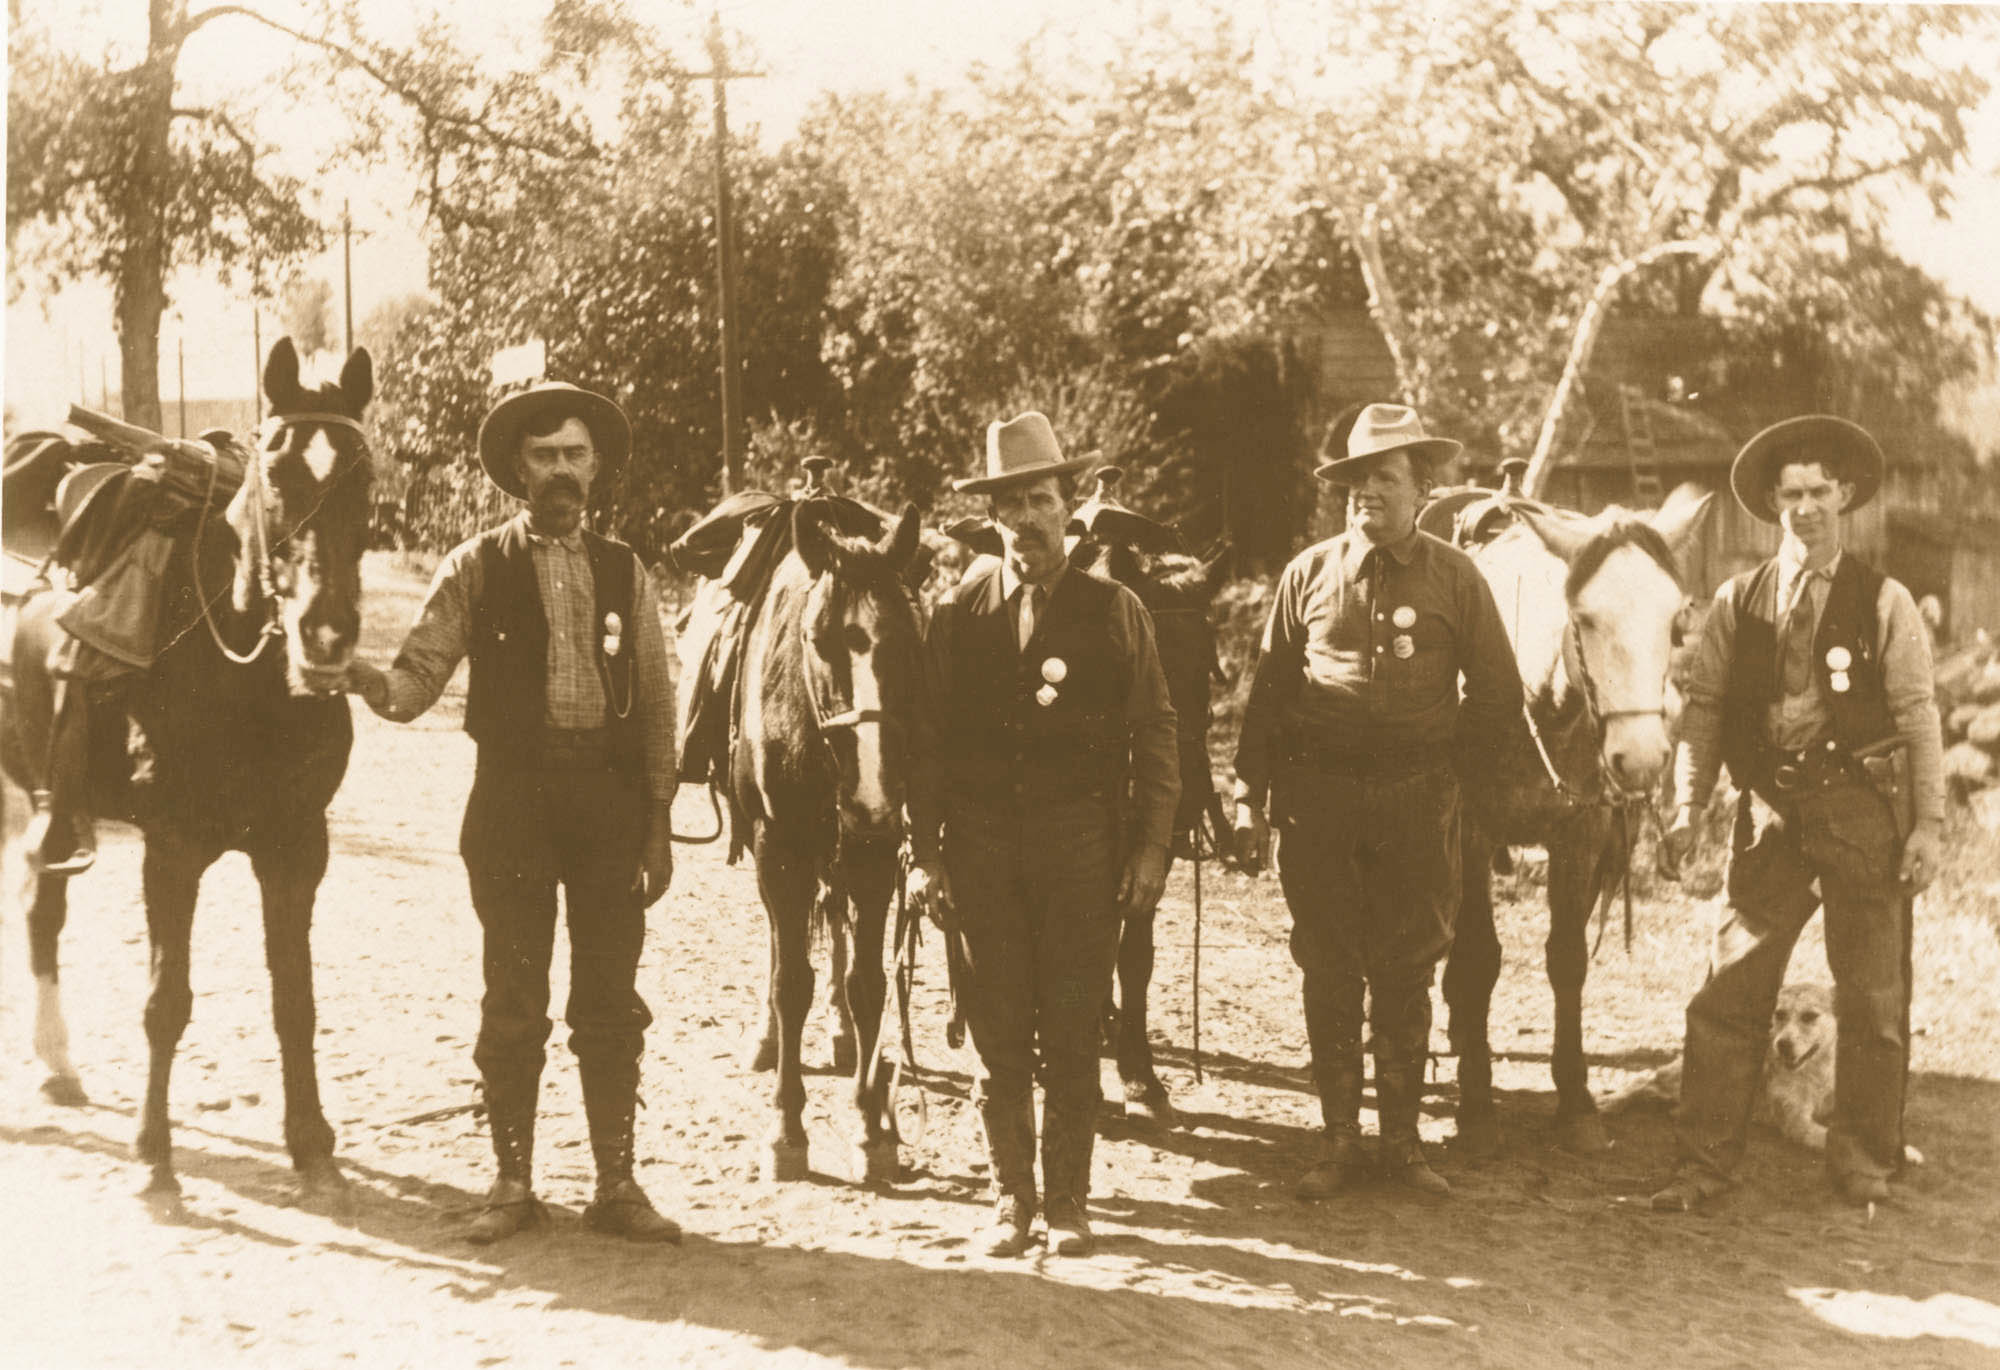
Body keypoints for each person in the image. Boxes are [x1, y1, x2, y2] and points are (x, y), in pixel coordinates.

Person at [345, 382, 680, 1244]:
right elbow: (416, 680)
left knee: (609, 998)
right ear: (516, 473)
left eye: (574, 454)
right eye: (543, 457)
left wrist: (655, 823)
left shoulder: (625, 570)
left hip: (608, 810)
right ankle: (512, 1182)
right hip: (512, 806)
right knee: (514, 996)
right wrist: (362, 677)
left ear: (596, 466)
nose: (560, 470)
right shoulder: (475, 567)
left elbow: (656, 705)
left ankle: (616, 1185)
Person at [1651, 415, 1945, 1213]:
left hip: (1860, 812)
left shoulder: (1884, 601)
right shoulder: (1736, 601)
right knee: (1729, 994)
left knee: (1875, 999)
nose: (1807, 507)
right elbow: (1705, 710)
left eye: (1821, 491)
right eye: (1792, 494)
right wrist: (1687, 809)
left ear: (1843, 496)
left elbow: (1920, 717)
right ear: (1772, 504)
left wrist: (1928, 825)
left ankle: (1863, 1164)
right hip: (1771, 813)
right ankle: (1702, 1167)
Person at [1232, 402, 1524, 1200]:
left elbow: (1499, 693)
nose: (1367, 493)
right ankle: (1336, 1143)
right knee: (1328, 967)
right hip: (1320, 802)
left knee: (1405, 967)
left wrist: (1452, 777)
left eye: (1385, 478)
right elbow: (1268, 694)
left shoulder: (1456, 578)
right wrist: (1248, 792)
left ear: (1422, 488)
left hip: (1415, 801)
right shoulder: (1309, 574)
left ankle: (1401, 1145)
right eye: (1357, 479)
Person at [907, 411, 1179, 1258]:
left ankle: (1067, 1201)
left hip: (1081, 845)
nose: (1024, 521)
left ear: (1069, 509)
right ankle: (1008, 1199)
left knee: (1068, 1025)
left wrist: (1150, 846)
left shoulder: (1115, 609)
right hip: (983, 845)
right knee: (996, 1027)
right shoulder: (955, 613)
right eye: (1008, 507)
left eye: (1039, 499)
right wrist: (926, 853)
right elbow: (925, 746)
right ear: (990, 522)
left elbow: (1159, 731)